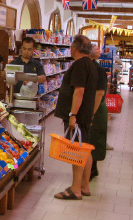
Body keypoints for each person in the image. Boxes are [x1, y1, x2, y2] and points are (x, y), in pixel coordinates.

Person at [54, 35, 98, 200]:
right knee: (85, 150)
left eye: (71, 46)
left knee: (77, 152)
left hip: (77, 116)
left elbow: (79, 91)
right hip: (85, 115)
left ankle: (75, 189)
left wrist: (73, 115)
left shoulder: (80, 65)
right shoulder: (90, 64)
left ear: (75, 48)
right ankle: (84, 186)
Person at [89, 45, 108, 180]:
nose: (98, 50)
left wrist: (92, 113)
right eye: (95, 48)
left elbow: (100, 93)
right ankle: (92, 169)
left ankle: (91, 169)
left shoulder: (99, 69)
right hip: (91, 108)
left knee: (94, 138)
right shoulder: (89, 67)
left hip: (96, 108)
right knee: (90, 139)